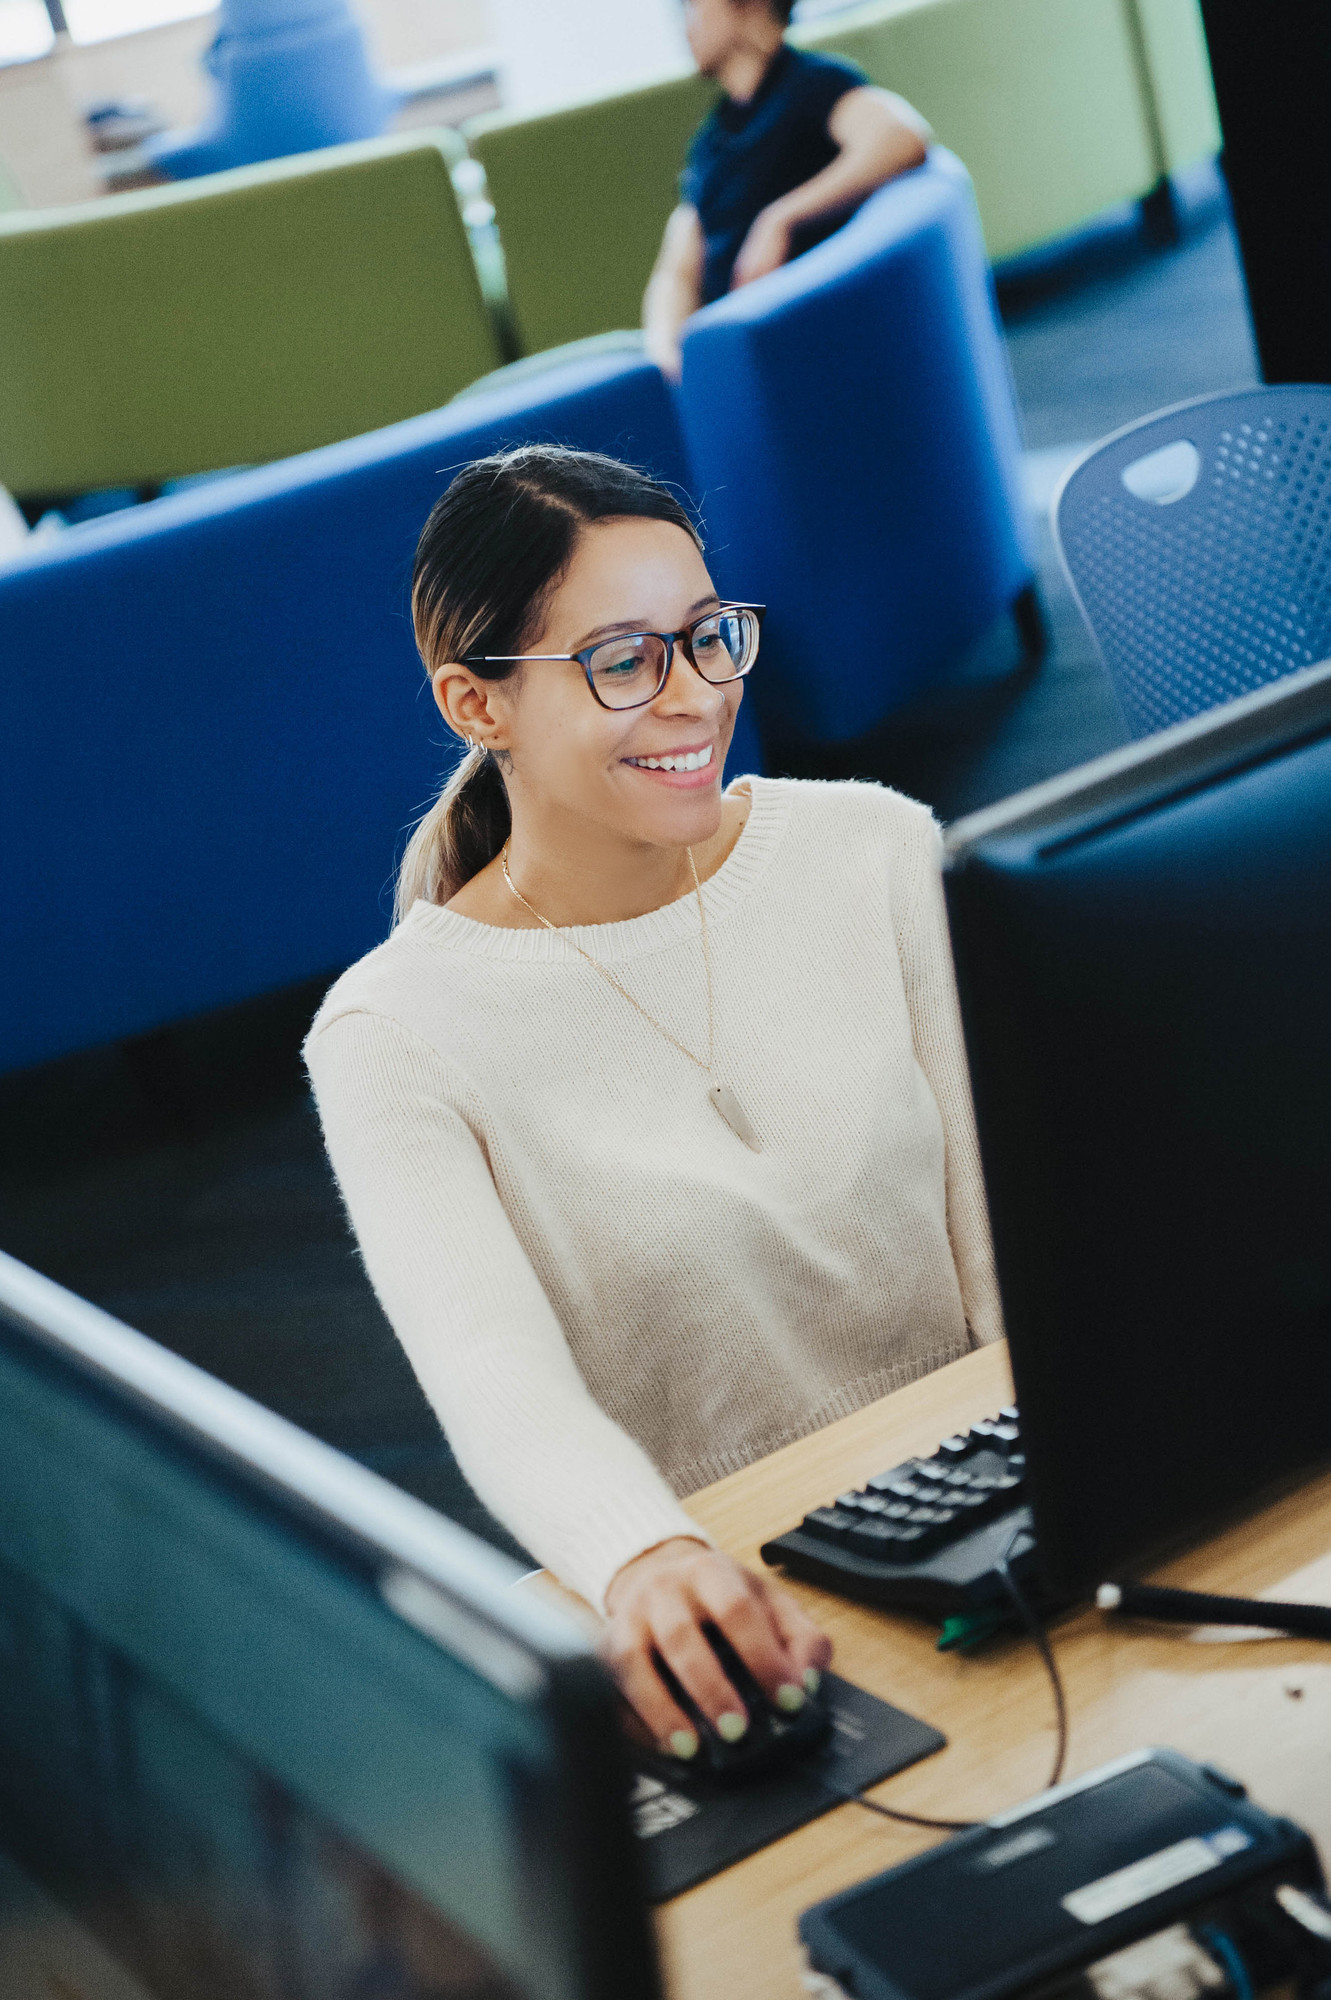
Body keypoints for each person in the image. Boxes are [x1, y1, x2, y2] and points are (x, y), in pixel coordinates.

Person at [305, 445, 1002, 1761]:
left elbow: (1012, 1229)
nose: (692, 698)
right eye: (622, 661)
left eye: (706, 639)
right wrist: (641, 1558)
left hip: (996, 1492)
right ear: (476, 703)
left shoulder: (870, 849)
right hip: (734, 1609)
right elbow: (493, 1381)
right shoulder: (391, 1036)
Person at [643, 0, 930, 377]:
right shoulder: (710, 141)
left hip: (808, 342)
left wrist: (781, 217)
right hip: (737, 352)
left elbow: (900, 136)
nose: (684, 26)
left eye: (692, 7)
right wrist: (669, 355)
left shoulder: (812, 83)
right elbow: (677, 270)